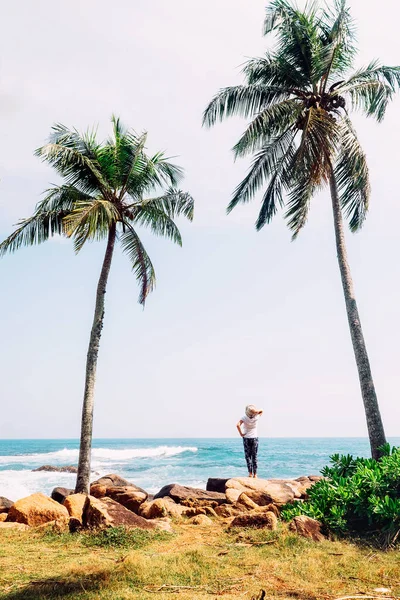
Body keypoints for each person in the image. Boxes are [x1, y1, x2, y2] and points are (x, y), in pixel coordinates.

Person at [236, 405, 263, 478]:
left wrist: (241, 434)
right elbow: (261, 410)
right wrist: (256, 411)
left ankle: (250, 473)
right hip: (254, 438)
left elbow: (237, 425)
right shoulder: (256, 417)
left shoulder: (244, 418)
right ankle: (255, 474)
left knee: (248, 456)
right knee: (254, 456)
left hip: (246, 438)